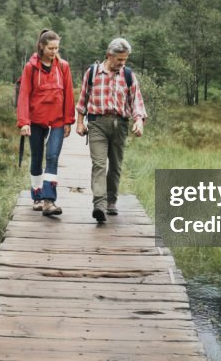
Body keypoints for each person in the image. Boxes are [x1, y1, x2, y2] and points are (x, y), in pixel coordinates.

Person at [75, 37, 147, 224]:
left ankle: (111, 201)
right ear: (109, 55)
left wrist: (139, 121)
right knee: (99, 164)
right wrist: (80, 123)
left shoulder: (128, 75)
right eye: (119, 60)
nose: (122, 63)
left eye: (125, 60)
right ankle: (99, 204)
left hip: (120, 125)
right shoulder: (92, 73)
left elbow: (136, 102)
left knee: (115, 166)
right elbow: (83, 100)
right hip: (97, 123)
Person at [16, 29, 75, 217]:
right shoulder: (30, 68)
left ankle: (49, 200)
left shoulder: (63, 67)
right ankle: (37, 196)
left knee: (52, 157)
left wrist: (68, 121)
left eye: (57, 48)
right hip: (35, 119)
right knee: (36, 157)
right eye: (51, 48)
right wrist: (24, 122)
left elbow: (69, 95)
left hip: (57, 119)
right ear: (42, 46)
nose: (54, 52)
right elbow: (24, 95)